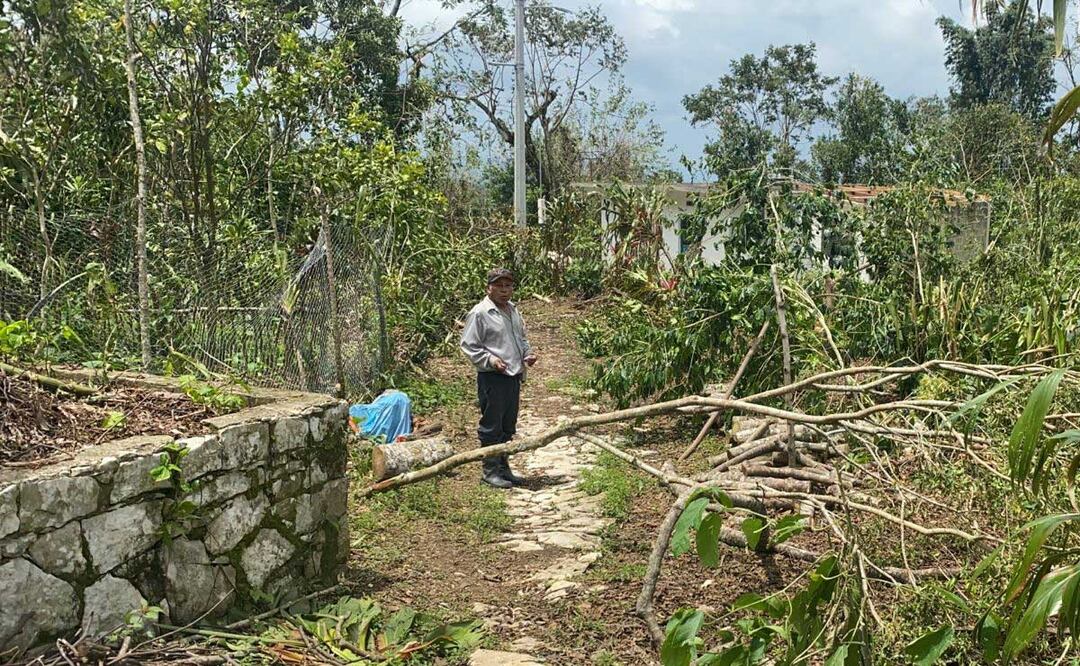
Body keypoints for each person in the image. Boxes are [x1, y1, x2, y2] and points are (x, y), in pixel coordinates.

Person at [460, 268, 538, 488]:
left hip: (513, 375)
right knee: (491, 426)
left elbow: (520, 338)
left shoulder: (512, 310)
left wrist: (527, 354)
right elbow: (469, 345)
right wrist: (491, 360)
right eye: (499, 286)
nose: (504, 291)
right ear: (489, 288)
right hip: (493, 378)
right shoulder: (480, 313)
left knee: (507, 425)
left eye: (508, 286)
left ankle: (504, 469)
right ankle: (490, 471)